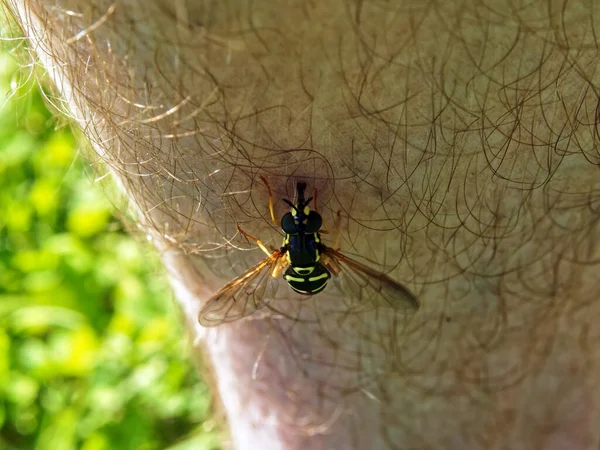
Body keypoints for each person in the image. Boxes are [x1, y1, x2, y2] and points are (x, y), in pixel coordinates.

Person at [7, 0, 599, 448]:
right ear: (309, 237)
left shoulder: (279, 250)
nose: (301, 220)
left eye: (299, 222)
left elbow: (265, 240)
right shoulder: (310, 243)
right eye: (302, 222)